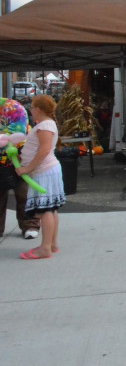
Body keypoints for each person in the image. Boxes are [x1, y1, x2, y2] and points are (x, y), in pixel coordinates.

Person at [16, 95, 65, 260]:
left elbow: (43, 150)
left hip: (44, 171)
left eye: (32, 108)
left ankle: (46, 248)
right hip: (46, 170)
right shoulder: (46, 124)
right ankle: (52, 244)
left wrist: (27, 168)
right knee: (50, 209)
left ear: (38, 109)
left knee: (45, 211)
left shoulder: (45, 126)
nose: (31, 111)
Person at [0, 97, 40, 239]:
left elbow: (17, 133)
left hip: (19, 157)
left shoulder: (13, 107)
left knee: (24, 193)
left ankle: (30, 225)